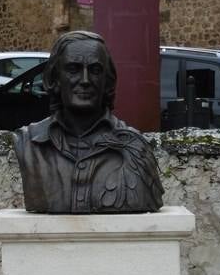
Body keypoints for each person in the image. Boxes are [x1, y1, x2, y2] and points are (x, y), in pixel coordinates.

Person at [13, 31, 164, 213]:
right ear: (55, 79)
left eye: (95, 70)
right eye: (73, 69)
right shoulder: (28, 143)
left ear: (107, 82)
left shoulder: (134, 148)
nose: (85, 80)